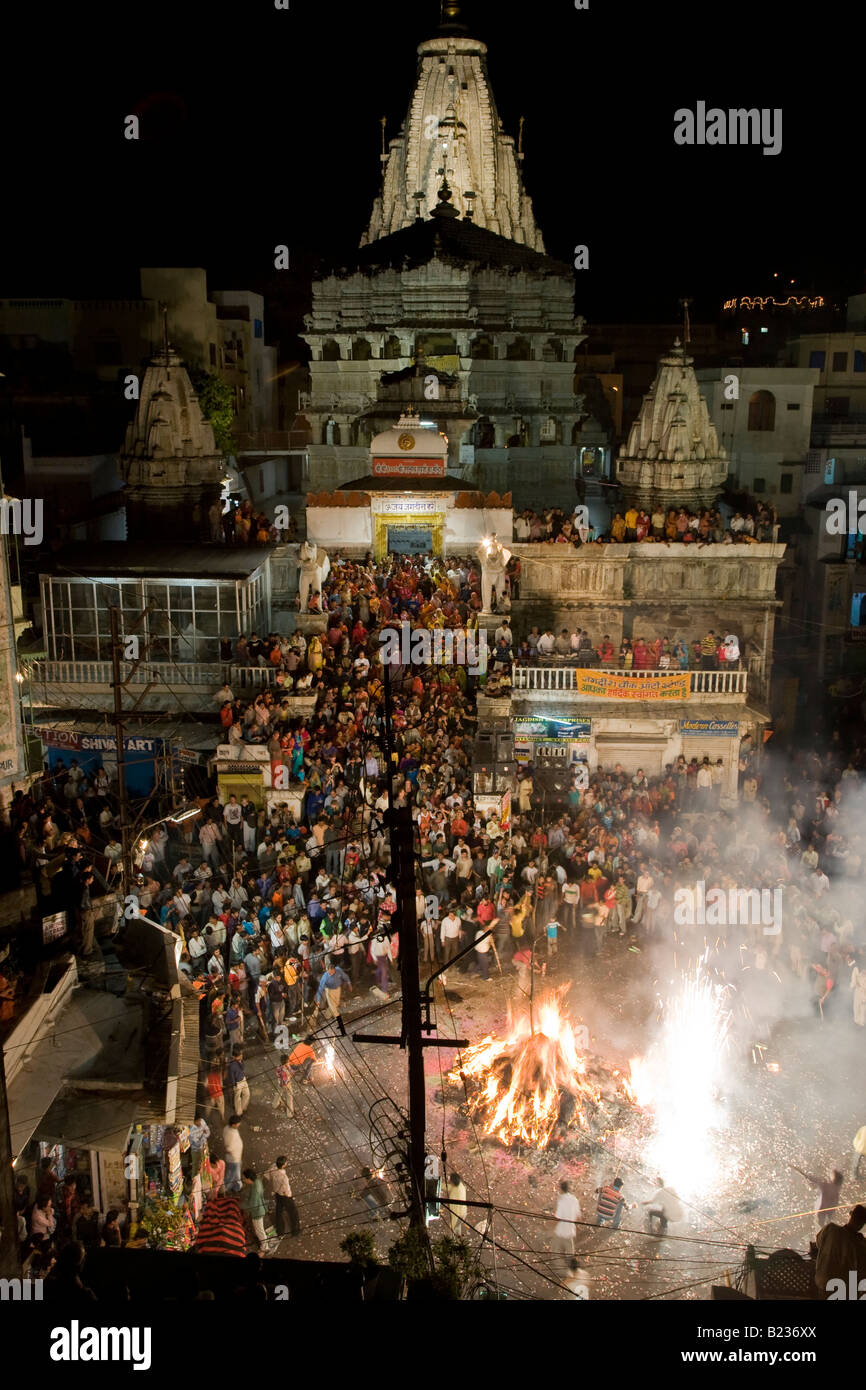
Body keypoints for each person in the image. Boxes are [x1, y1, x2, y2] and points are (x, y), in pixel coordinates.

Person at [814, 1204, 866, 1296]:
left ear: (851, 1214)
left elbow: (819, 1244)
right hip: (847, 1291)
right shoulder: (861, 1244)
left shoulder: (830, 1230)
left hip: (824, 1286)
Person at [266, 1155, 301, 1238]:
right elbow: (286, 1190)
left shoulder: (273, 1167)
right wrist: (289, 1195)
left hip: (277, 1194)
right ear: (283, 1165)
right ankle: (295, 1231)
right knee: (293, 1212)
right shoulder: (284, 1177)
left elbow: (267, 1176)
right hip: (284, 1196)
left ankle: (280, 1230)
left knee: (279, 1211)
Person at [551, 1179, 581, 1262]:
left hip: (561, 1228)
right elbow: (578, 1215)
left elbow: (558, 1216)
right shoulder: (574, 1199)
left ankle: (555, 1257)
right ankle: (570, 1259)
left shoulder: (561, 1200)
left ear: (561, 1189)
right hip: (570, 1227)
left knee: (556, 1244)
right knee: (569, 1246)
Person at [240, 1169, 270, 1253]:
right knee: (259, 1229)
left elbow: (252, 1204)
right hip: (261, 1209)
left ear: (249, 1179)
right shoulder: (257, 1182)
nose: (243, 1180)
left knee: (259, 1231)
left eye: (244, 1178)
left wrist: (240, 1205)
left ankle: (265, 1247)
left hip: (257, 1213)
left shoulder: (255, 1189)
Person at [223, 1115, 244, 1192]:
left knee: (231, 1172)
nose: (239, 1124)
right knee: (235, 1174)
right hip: (234, 1158)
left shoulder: (227, 1128)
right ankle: (232, 1187)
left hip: (234, 1157)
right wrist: (233, 1153)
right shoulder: (231, 1133)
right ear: (233, 1124)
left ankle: (233, 1186)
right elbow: (229, 1148)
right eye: (238, 1123)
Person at [227, 1050, 251, 1115]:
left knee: (247, 1094)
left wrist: (240, 1061)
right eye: (239, 1056)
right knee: (237, 1098)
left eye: (241, 1055)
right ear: (234, 1057)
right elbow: (231, 1077)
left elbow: (243, 1068)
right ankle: (239, 1112)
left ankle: (243, 1108)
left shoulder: (240, 1061)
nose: (241, 1056)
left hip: (243, 1079)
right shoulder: (231, 1065)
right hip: (237, 1083)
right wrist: (234, 1085)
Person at [444, 1172, 467, 1236]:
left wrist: (451, 1226)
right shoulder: (460, 1186)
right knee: (457, 1229)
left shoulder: (454, 1193)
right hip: (463, 1213)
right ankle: (459, 1242)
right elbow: (447, 1187)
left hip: (458, 1215)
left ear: (453, 1182)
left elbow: (455, 1212)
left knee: (452, 1231)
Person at [273, 1052, 295, 1117]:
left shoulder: (278, 1067)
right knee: (289, 1097)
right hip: (286, 1085)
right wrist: (289, 1070)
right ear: (287, 1062)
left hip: (279, 1083)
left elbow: (277, 1074)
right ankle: (290, 1114)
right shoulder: (286, 1069)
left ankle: (275, 1104)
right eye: (288, 1061)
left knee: (278, 1093)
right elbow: (292, 1073)